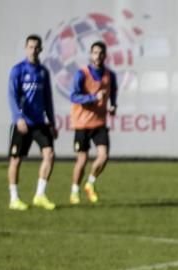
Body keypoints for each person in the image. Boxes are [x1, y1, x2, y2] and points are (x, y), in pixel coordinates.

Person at [7, 34, 58, 211]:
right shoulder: (18, 70)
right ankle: (14, 198)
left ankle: (40, 195)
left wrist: (52, 121)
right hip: (22, 123)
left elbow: (47, 99)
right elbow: (12, 96)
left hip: (39, 123)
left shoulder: (43, 72)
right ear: (25, 48)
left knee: (49, 154)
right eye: (30, 47)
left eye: (36, 47)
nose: (33, 50)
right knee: (16, 160)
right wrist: (18, 118)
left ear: (41, 49)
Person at [69, 41, 117, 205]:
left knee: (103, 156)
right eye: (95, 52)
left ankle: (90, 183)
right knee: (82, 160)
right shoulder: (81, 74)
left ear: (105, 55)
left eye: (100, 53)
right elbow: (74, 96)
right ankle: (74, 190)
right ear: (91, 55)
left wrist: (113, 106)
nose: (98, 56)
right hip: (82, 123)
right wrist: (92, 98)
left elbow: (113, 93)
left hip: (99, 123)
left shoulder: (110, 75)